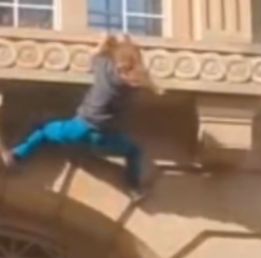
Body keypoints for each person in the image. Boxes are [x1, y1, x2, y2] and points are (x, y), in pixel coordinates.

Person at [1, 34, 161, 199]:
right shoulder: (134, 86)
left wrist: (107, 42)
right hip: (105, 139)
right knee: (134, 150)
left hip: (79, 129)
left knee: (44, 129)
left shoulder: (106, 70)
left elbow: (96, 53)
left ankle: (18, 155)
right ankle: (134, 188)